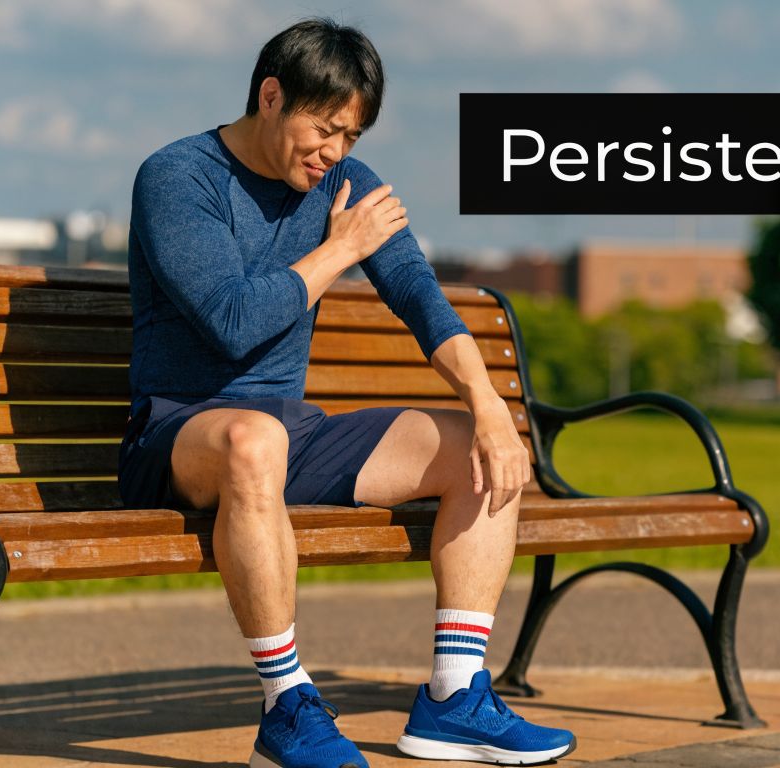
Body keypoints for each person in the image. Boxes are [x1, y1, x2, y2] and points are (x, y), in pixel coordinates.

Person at [119, 17, 576, 768]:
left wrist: (491, 410)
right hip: (179, 438)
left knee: (475, 451)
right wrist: (339, 250)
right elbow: (232, 323)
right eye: (324, 128)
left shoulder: (343, 187)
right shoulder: (177, 176)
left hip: (285, 435)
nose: (334, 153)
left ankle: (454, 699)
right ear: (271, 96)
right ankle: (287, 705)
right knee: (251, 439)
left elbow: (422, 298)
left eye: (350, 138)